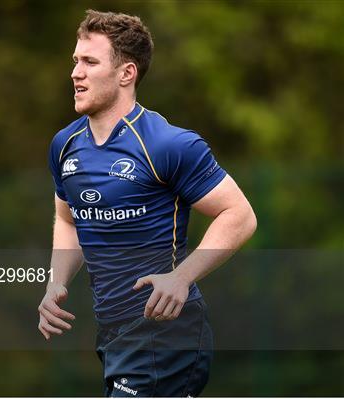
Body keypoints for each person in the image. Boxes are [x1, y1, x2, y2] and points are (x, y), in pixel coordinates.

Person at [38, 9, 256, 397]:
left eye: (90, 62)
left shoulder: (167, 144)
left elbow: (238, 214)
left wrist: (181, 277)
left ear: (126, 73)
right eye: (75, 61)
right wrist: (56, 281)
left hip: (167, 335)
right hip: (114, 335)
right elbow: (68, 221)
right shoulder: (64, 145)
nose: (76, 73)